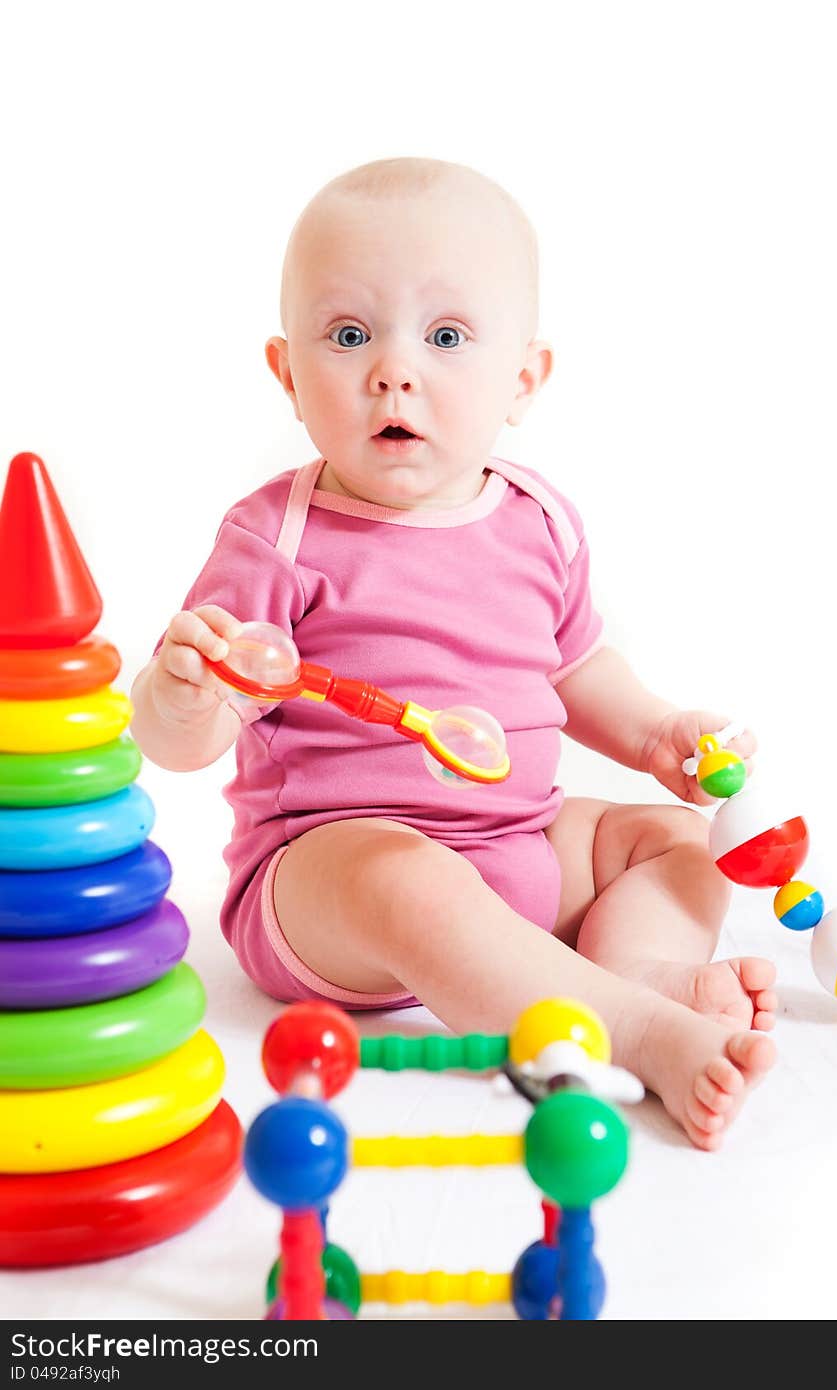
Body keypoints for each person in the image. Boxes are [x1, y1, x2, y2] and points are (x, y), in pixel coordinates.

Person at [130, 156, 776, 1150]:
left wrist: (654, 732)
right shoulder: (279, 535)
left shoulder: (538, 519)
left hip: (521, 845)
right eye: (348, 336)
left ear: (522, 379)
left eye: (444, 337)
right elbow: (189, 739)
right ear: (288, 373)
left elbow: (574, 668)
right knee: (405, 878)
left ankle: (631, 975)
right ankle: (637, 1032)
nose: (394, 370)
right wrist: (180, 696)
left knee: (678, 845)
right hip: (334, 879)